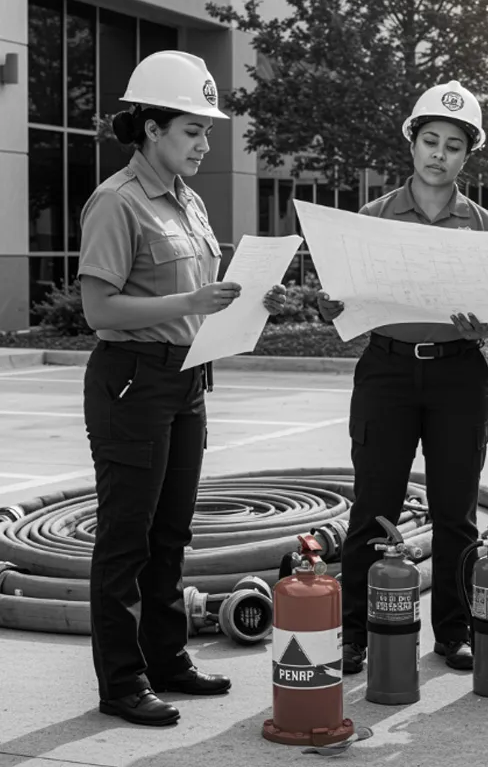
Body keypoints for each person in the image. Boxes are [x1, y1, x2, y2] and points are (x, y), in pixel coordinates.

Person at [78, 50, 287, 726]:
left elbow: (204, 299)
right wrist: (191, 299)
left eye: (205, 132)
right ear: (150, 129)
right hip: (132, 382)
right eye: (193, 130)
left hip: (187, 380)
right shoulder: (117, 202)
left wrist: (251, 297)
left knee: (171, 534)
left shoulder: (189, 202)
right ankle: (122, 681)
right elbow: (99, 312)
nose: (204, 143)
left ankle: (165, 659)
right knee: (126, 539)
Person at [317, 81, 488, 674]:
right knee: (375, 507)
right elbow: (345, 302)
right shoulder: (372, 219)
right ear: (412, 143)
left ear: (466, 155)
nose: (439, 154)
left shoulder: (485, 225)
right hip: (388, 372)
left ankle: (454, 633)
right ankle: (355, 635)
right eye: (430, 141)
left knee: (456, 512)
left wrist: (487, 327)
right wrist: (330, 305)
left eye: (453, 145)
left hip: (459, 375)